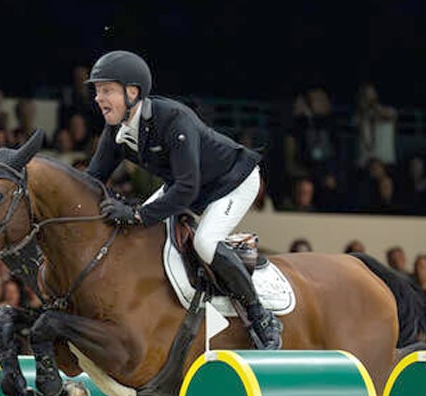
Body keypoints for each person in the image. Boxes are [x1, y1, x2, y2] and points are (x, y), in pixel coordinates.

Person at [83, 50, 281, 349]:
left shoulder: (173, 118)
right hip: (187, 184)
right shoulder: (116, 130)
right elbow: (91, 180)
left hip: (232, 182)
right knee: (141, 235)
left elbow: (187, 189)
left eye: (107, 90)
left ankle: (259, 316)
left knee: (204, 243)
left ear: (132, 92)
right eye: (97, 91)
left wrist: (137, 214)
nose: (98, 98)